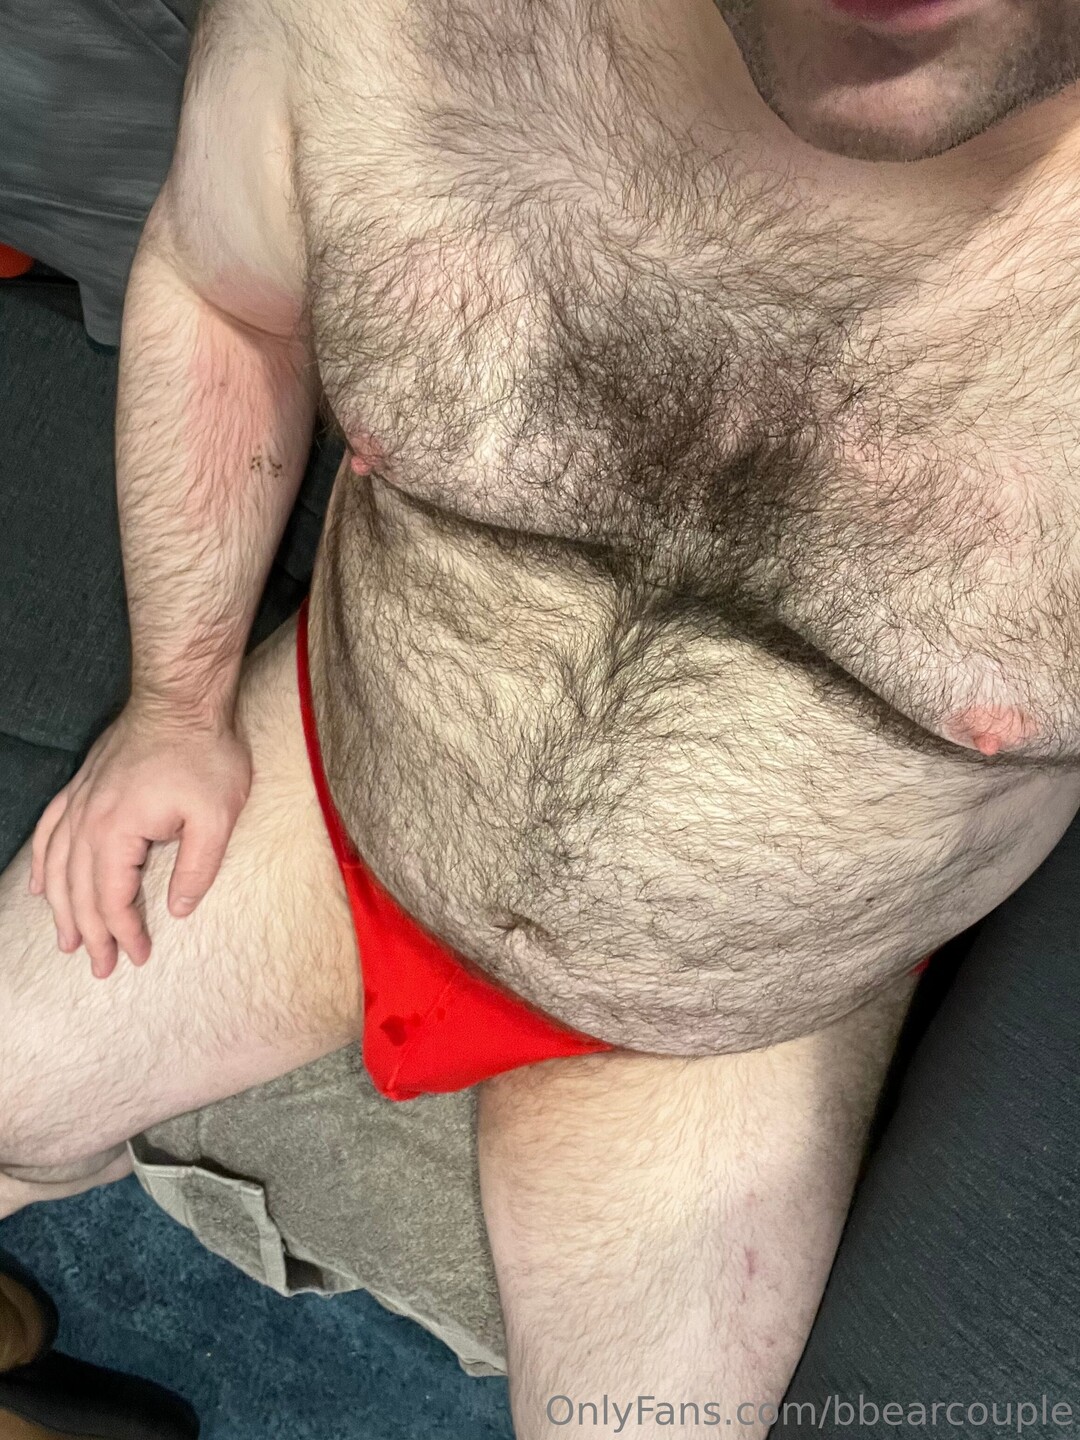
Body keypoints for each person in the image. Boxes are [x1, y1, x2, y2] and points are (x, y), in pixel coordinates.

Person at [6, 0, 1080, 1433]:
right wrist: (173, 704)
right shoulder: (376, 28)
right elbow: (223, 291)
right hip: (331, 790)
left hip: (741, 1016)